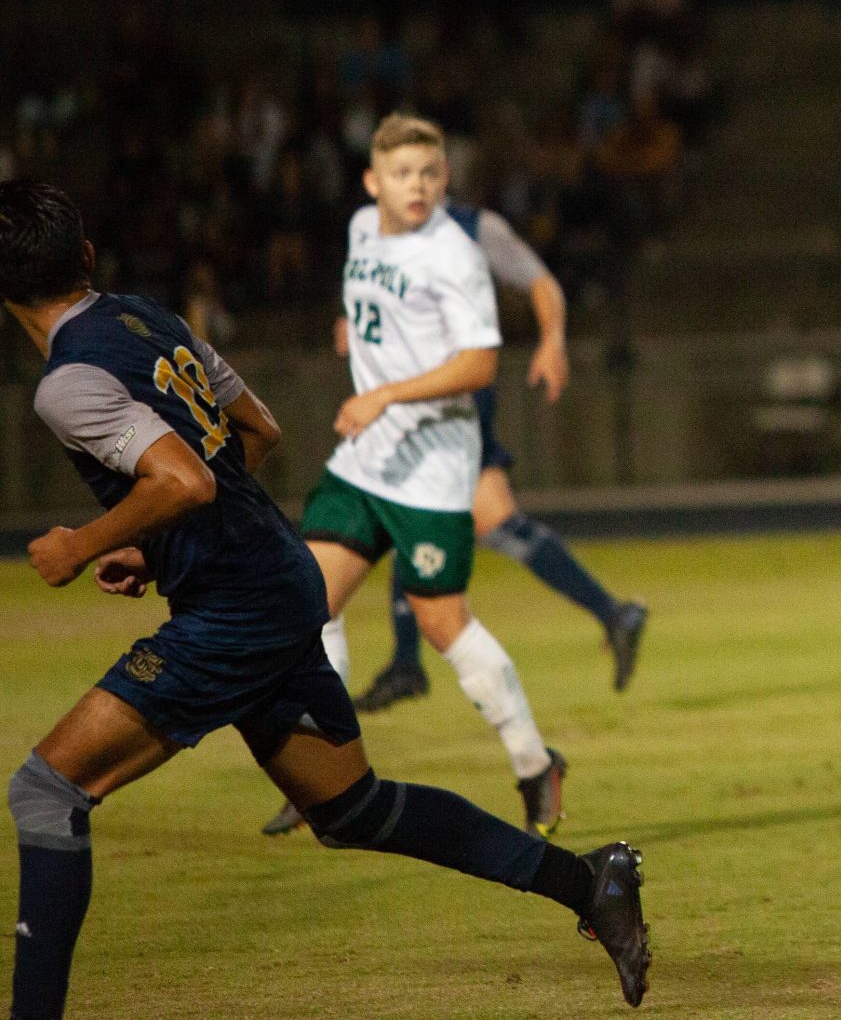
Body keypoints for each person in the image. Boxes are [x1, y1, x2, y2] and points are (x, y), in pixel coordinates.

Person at [0, 179, 650, 1016]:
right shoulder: (144, 318)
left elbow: (186, 478)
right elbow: (257, 433)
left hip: (234, 612)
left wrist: (82, 543)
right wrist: (152, 544)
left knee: (46, 790)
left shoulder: (66, 384)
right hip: (277, 575)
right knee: (351, 808)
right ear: (85, 258)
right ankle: (588, 878)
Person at [262, 115, 565, 839]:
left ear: (444, 179)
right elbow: (374, 300)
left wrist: (384, 393)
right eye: (403, 173)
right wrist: (356, 324)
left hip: (432, 466)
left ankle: (533, 761)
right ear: (373, 181)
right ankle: (327, 776)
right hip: (366, 459)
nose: (418, 186)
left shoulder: (454, 254)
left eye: (429, 173)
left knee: (440, 621)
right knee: (308, 603)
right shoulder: (362, 227)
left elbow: (478, 364)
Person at [352, 200, 649, 714]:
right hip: (414, 403)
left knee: (433, 518)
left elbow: (540, 281)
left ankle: (407, 666)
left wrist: (552, 339)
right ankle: (613, 614)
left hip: (453, 402)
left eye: (424, 168)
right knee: (467, 523)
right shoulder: (376, 234)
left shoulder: (474, 229)